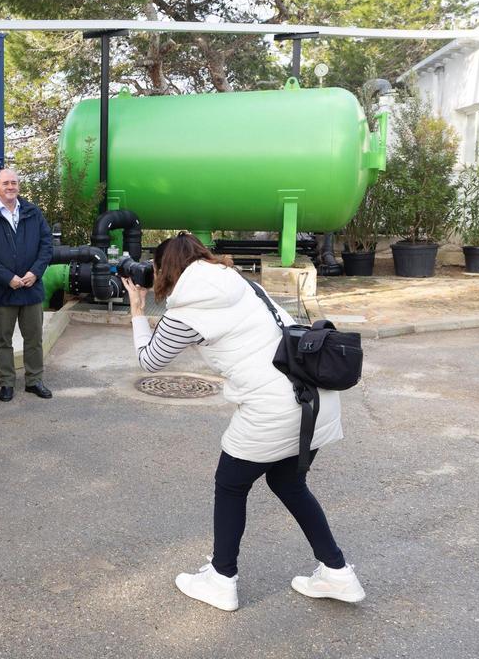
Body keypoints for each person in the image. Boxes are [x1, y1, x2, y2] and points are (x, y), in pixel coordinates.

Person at [120, 232, 364, 612]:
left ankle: (221, 579)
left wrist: (137, 310)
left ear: (165, 270)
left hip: (275, 408)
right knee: (288, 482)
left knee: (231, 485)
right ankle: (338, 572)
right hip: (315, 397)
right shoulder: (239, 282)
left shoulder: (185, 310)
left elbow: (150, 360)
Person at [0, 168, 54, 402]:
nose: (10, 187)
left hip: (31, 288)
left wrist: (35, 273)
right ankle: (7, 383)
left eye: (14, 183)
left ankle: (34, 380)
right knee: (3, 340)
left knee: (34, 339)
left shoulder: (33, 212)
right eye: (6, 183)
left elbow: (46, 246)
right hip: (3, 290)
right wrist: (8, 277)